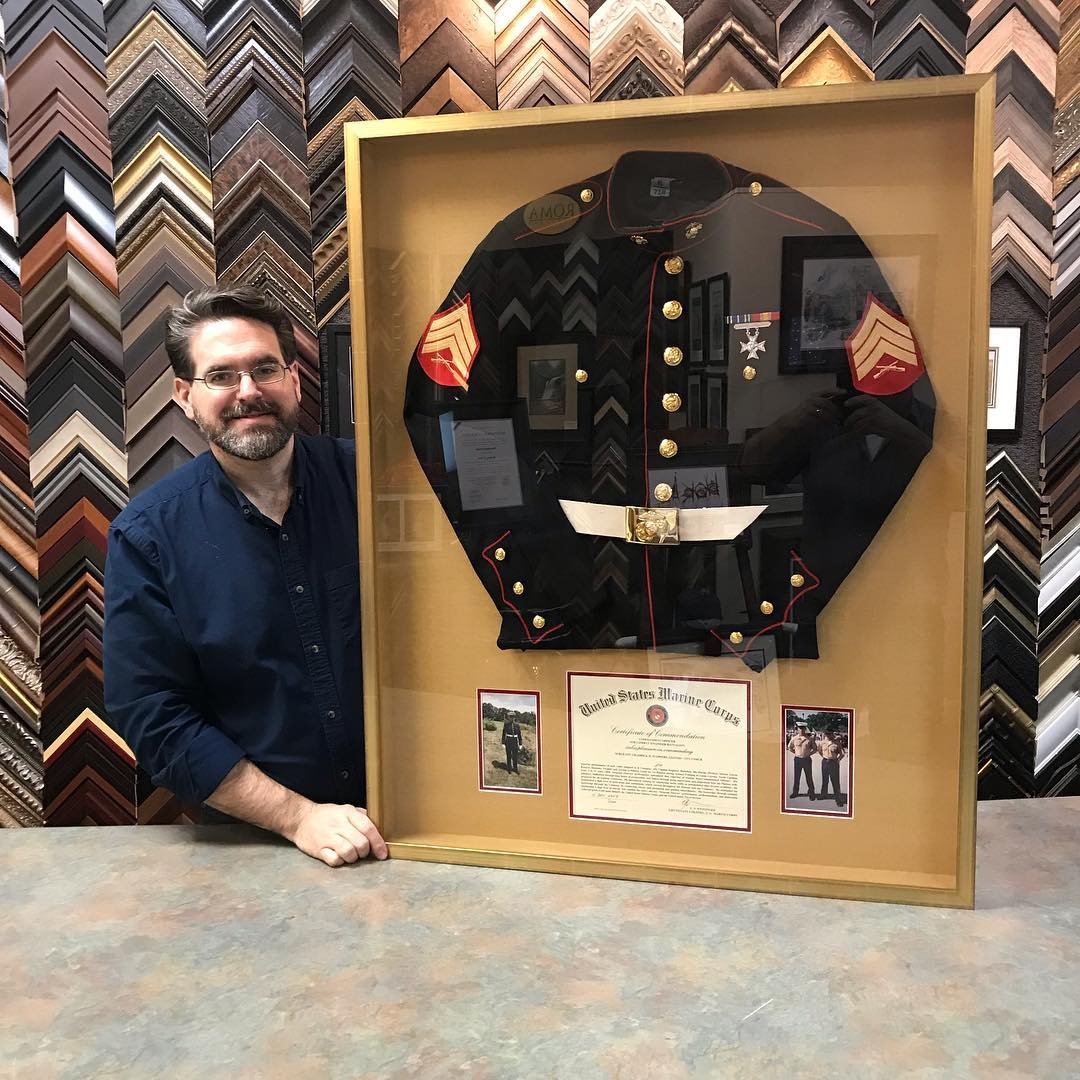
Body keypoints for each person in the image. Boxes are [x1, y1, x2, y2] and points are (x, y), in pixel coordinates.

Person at [103, 286, 387, 868]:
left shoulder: (381, 486)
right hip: (258, 847)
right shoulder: (147, 536)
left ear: (295, 380)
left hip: (418, 824)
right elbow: (153, 714)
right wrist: (297, 817)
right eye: (221, 376)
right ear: (185, 396)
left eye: (265, 368)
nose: (249, 391)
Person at [787, 721, 817, 801]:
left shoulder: (810, 739)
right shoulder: (794, 738)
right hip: (797, 760)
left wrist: (809, 754)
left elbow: (815, 749)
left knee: (809, 777)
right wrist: (796, 753)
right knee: (797, 777)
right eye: (800, 728)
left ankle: (811, 793)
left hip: (807, 760)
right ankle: (795, 792)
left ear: (805, 729)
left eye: (803, 728)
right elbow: (789, 747)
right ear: (797, 729)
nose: (802, 730)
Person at [818, 726, 847, 805]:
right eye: (827, 733)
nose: (828, 735)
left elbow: (842, 753)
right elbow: (820, 751)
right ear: (825, 734)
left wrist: (838, 760)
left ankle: (838, 799)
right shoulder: (822, 742)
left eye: (830, 733)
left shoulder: (837, 743)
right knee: (825, 780)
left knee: (835, 782)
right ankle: (823, 794)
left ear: (832, 734)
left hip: (834, 763)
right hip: (825, 762)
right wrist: (825, 757)